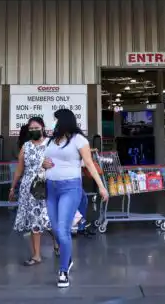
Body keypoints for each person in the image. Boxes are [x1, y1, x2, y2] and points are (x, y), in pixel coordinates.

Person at [41, 109, 108, 289]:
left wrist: (101, 186)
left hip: (70, 188)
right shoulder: (50, 141)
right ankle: (67, 257)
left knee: (62, 230)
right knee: (55, 229)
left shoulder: (79, 140)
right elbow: (44, 161)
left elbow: (89, 164)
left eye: (56, 121)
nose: (54, 124)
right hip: (51, 188)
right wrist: (43, 163)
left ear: (64, 122)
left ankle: (63, 270)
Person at [9, 117, 58, 266]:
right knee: (34, 222)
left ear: (43, 128)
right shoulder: (26, 146)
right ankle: (36, 255)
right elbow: (19, 169)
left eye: (36, 127)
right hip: (29, 189)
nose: (33, 131)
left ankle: (57, 242)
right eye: (30, 129)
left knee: (47, 220)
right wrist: (13, 187)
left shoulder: (51, 144)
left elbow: (58, 163)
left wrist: (46, 165)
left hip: (46, 186)